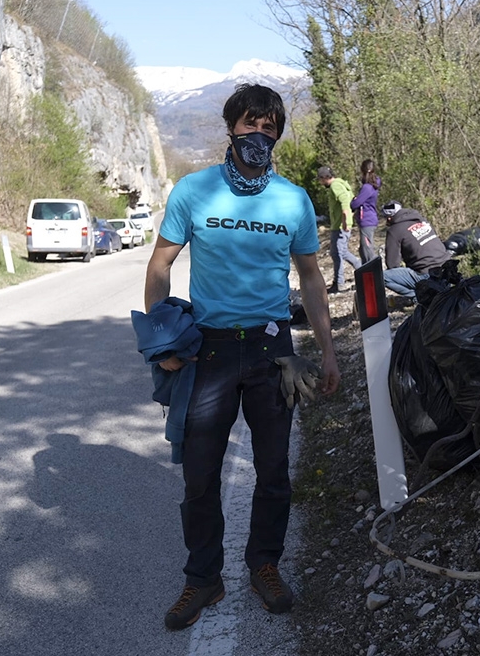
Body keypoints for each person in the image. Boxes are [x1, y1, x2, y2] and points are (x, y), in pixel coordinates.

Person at [144, 83, 340, 631]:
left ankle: (265, 565)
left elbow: (310, 277)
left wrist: (326, 352)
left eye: (269, 127)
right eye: (249, 125)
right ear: (231, 128)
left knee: (274, 471)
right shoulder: (194, 190)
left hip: (273, 351)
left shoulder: (293, 200)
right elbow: (159, 266)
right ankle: (203, 577)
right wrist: (161, 344)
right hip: (208, 350)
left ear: (278, 133)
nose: (259, 135)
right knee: (200, 477)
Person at [381, 200, 451, 301]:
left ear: (389, 217)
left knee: (382, 277)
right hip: (447, 268)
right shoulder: (420, 219)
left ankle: (418, 297)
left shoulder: (394, 230)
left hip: (427, 273)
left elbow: (392, 264)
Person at [317, 165, 361, 294]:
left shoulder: (336, 186)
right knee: (340, 252)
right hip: (339, 225)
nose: (320, 182)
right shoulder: (341, 184)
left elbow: (345, 202)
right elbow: (352, 200)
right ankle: (359, 267)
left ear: (325, 177)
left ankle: (339, 283)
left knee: (337, 254)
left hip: (340, 226)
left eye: (320, 179)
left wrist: (346, 221)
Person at [350, 159, 381, 264]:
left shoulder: (367, 188)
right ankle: (365, 272)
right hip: (368, 219)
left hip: (367, 220)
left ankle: (374, 274)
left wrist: (354, 201)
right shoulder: (373, 185)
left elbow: (355, 204)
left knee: (367, 250)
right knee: (363, 249)